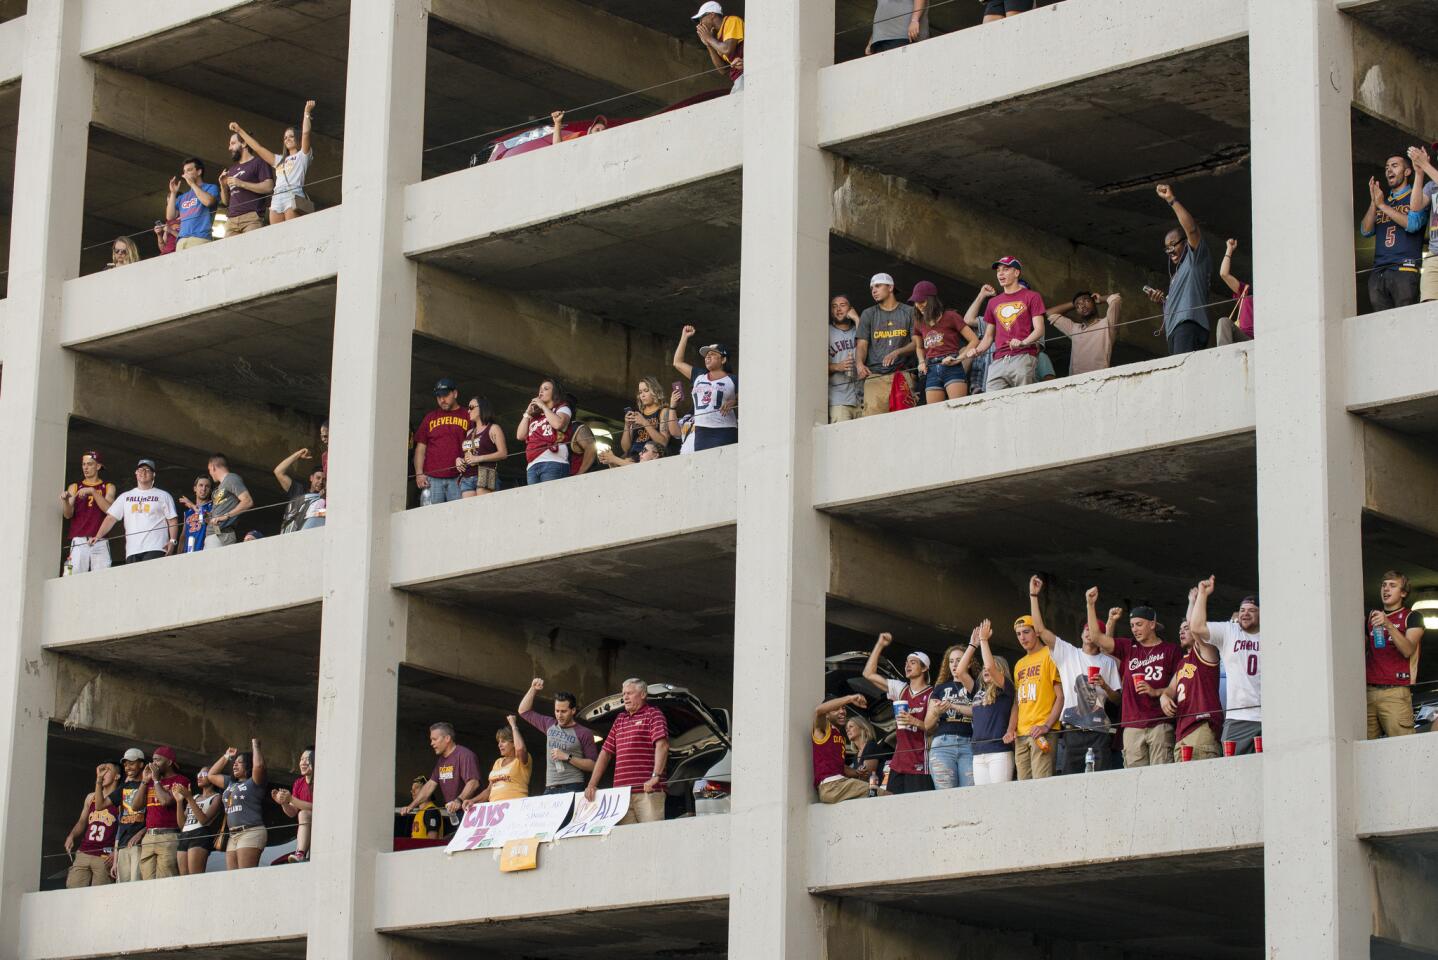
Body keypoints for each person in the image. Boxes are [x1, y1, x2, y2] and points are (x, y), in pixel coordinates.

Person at [1028, 577, 1122, 774]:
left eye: (1093, 630)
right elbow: (1040, 630)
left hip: (1100, 732)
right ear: (1081, 634)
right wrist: (1034, 595)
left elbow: (1118, 700)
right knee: (1071, 783)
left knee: (1101, 782)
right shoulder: (1069, 653)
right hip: (1071, 731)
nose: (1089, 633)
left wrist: (1104, 686)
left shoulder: (1108, 662)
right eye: (1086, 629)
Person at [1088, 588, 1181, 767]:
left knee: (1161, 776)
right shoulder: (1129, 646)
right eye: (1132, 625)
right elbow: (1097, 638)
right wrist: (1090, 605)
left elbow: (1179, 685)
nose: (1134, 629)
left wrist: (1155, 691)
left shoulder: (1171, 650)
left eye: (1139, 624)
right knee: (1135, 779)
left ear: (1152, 624)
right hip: (1132, 723)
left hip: (1160, 722)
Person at [1188, 577, 1262, 754]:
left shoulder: (1274, 631)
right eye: (1242, 610)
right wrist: (1203, 595)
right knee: (1235, 772)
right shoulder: (1230, 630)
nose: (1245, 613)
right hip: (1238, 717)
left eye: (1252, 610)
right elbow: (1197, 627)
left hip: (1272, 716)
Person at [583, 678, 670, 824]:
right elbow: (605, 753)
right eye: (624, 694)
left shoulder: (653, 714)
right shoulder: (620, 719)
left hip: (648, 792)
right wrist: (592, 784)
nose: (625, 698)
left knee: (651, 839)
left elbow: (663, 746)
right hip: (621, 795)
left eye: (629, 693)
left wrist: (655, 776)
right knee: (626, 841)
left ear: (642, 694)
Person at [1142, 183, 1213, 354]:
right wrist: (1162, 303)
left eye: (1173, 244)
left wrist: (1171, 200)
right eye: (1167, 248)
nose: (1170, 250)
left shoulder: (1194, 259)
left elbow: (1192, 229)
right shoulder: (1177, 275)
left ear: (1186, 243)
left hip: (1188, 325)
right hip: (1175, 330)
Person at [861, 632, 933, 794]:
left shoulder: (932, 694)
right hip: (898, 763)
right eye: (906, 662)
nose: (907, 665)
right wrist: (879, 645)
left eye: (913, 662)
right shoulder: (900, 689)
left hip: (920, 761)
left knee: (919, 807)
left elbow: (933, 728)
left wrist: (913, 720)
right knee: (894, 805)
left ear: (924, 668)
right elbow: (868, 674)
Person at [962, 259, 1046, 391]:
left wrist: (1023, 342)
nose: (1001, 273)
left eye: (1006, 269)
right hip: (998, 360)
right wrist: (977, 351)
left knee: (1024, 397)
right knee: (993, 401)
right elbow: (989, 337)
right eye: (998, 270)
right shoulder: (993, 302)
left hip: (1023, 356)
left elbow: (1039, 329)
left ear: (1016, 272)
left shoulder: (1032, 296)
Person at [228, 99, 315, 225]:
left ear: (297, 138)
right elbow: (258, 148)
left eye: (291, 136)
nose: (287, 139)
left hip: (293, 193)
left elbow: (306, 134)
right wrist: (240, 131)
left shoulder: (303, 155)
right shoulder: (279, 159)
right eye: (285, 137)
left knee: (291, 230)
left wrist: (306, 113)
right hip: (277, 196)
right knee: (277, 235)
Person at [1161, 589, 1224, 761]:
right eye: (1180, 629)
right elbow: (1169, 690)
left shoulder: (1205, 652)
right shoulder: (1182, 663)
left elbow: (1197, 626)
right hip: (1182, 732)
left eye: (1186, 629)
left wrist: (1193, 602)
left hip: (1201, 728)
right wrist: (1164, 698)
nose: (1181, 632)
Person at [1360, 154, 1427, 311]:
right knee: (1383, 326)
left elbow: (1413, 225)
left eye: (1395, 165)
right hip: (1379, 271)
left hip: (1404, 269)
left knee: (1406, 321)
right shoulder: (1384, 201)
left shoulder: (1416, 197)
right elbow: (1365, 231)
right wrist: (1374, 203)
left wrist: (1382, 206)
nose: (1389, 169)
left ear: (1407, 172)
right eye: (1387, 167)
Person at [1365, 569, 1425, 739]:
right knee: (1365, 746)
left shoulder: (1412, 617)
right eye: (1384, 585)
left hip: (1395, 691)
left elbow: (1408, 650)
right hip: (1368, 690)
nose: (1386, 589)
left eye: (1392, 586)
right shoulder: (1370, 617)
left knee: (1402, 746)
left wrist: (1388, 624)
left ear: (1403, 592)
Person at [518, 678, 600, 796]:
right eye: (557, 711)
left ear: (573, 710)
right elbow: (523, 711)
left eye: (563, 711)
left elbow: (593, 766)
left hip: (573, 785)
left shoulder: (584, 732)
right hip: (550, 787)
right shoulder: (550, 724)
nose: (559, 715)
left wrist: (567, 757)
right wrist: (533, 689)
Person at [90, 459, 178, 563]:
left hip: (156, 547)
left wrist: (172, 541)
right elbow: (111, 518)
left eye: (147, 470)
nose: (143, 472)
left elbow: (172, 520)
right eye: (140, 470)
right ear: (136, 473)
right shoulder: (125, 497)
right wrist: (98, 536)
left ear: (153, 475)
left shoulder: (163, 495)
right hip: (132, 550)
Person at [854, 274, 917, 417]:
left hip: (903, 374)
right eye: (871, 288)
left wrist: (897, 352)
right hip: (875, 376)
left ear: (890, 287)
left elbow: (917, 343)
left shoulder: (909, 312)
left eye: (877, 286)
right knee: (872, 424)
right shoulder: (868, 313)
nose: (873, 291)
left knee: (906, 420)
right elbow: (862, 345)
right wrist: (859, 364)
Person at [1010, 612, 1062, 780]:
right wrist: (1012, 729)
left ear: (1036, 632)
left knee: (1042, 785)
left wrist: (1047, 725)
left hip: (1042, 731)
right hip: (1022, 734)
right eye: (1018, 634)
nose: (1022, 637)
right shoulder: (1019, 664)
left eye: (1026, 632)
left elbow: (1060, 696)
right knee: (1023, 787)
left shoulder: (1050, 654)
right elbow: (1017, 702)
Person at [910, 280, 981, 404]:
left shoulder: (950, 316)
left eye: (922, 301)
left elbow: (974, 340)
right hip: (931, 368)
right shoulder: (919, 322)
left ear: (932, 300)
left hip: (951, 366)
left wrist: (959, 358)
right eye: (916, 302)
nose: (918, 305)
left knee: (958, 408)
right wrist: (921, 361)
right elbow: (919, 347)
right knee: (935, 413)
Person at [968, 620, 1017, 784]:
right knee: (982, 800)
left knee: (999, 797)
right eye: (983, 669)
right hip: (978, 751)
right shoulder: (978, 690)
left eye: (994, 668)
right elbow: (960, 671)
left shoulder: (1006, 688)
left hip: (999, 750)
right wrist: (972, 645)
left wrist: (984, 641)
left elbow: (989, 665)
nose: (986, 670)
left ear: (1001, 671)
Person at [204, 741, 267, 870]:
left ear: (248, 765)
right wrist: (226, 756)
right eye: (235, 762)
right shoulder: (230, 783)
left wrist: (256, 746)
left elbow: (259, 766)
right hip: (233, 835)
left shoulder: (254, 782)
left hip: (251, 831)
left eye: (240, 762)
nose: (235, 764)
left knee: (245, 877)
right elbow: (211, 775)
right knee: (233, 879)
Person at [672, 327, 738, 449]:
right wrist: (684, 337)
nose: (707, 357)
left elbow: (750, 395)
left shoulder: (733, 379)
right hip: (701, 431)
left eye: (712, 354)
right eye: (706, 355)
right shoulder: (699, 375)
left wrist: (734, 401)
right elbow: (677, 362)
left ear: (723, 359)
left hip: (725, 430)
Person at [923, 643, 977, 788]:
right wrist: (937, 712)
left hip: (970, 743)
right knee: (946, 795)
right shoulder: (940, 688)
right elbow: (927, 725)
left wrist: (954, 706)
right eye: (951, 661)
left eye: (959, 660)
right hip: (943, 744)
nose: (954, 665)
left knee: (970, 794)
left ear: (969, 662)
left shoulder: (975, 686)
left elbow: (980, 712)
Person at [402, 722, 482, 819]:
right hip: (455, 813)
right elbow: (430, 784)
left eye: (434, 739)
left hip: (472, 812)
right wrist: (411, 806)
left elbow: (473, 783)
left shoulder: (465, 755)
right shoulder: (441, 761)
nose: (431, 743)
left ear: (447, 738)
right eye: (431, 740)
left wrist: (458, 801)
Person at [63, 761, 121, 887]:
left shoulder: (119, 799)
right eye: (102, 769)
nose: (103, 773)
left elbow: (124, 827)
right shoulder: (91, 797)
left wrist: (116, 852)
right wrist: (71, 835)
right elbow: (82, 821)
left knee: (101, 894)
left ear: (117, 776)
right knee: (73, 887)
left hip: (105, 855)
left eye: (108, 770)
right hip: (84, 851)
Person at [414, 377, 469, 504]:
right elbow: (421, 448)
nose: (442, 400)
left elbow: (477, 445)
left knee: (459, 516)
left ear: (455, 393)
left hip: (460, 477)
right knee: (430, 516)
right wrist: (419, 473)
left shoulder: (467, 415)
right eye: (438, 396)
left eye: (445, 395)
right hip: (431, 478)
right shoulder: (430, 418)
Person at [60, 450, 116, 573]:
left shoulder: (108, 487)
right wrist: (65, 501)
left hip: (100, 539)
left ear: (98, 466)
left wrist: (92, 491)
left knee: (103, 578)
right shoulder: (74, 486)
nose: (85, 467)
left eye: (90, 464)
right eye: (83, 464)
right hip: (79, 539)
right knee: (73, 577)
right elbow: (67, 515)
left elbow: (109, 510)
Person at [139, 745, 187, 880]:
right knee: (146, 883)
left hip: (169, 836)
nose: (153, 763)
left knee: (166, 881)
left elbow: (166, 801)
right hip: (149, 836)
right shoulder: (150, 781)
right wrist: (144, 780)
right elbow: (135, 806)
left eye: (158, 760)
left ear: (169, 762)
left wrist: (156, 780)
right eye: (153, 760)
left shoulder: (180, 780)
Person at [1046, 291, 1122, 376]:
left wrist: (1100, 299)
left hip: (1100, 378)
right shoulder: (1074, 329)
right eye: (1078, 305)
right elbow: (1050, 313)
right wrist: (1073, 303)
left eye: (1086, 301)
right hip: (1075, 382)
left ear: (1094, 302)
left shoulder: (1108, 324)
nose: (1082, 305)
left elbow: (1116, 299)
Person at [813, 693, 870, 802]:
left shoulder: (839, 736)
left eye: (843, 708)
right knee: (883, 794)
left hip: (838, 786)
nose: (842, 711)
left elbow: (841, 767)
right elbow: (818, 710)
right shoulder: (823, 729)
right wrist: (850, 698)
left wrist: (857, 772)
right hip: (831, 786)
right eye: (836, 709)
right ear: (827, 715)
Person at [464, 717, 532, 806]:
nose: (499, 745)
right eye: (498, 742)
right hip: (496, 810)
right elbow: (489, 790)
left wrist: (513, 726)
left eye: (503, 741)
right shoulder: (497, 762)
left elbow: (520, 748)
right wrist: (473, 801)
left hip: (516, 807)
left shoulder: (520, 760)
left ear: (513, 743)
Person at [219, 127, 274, 236]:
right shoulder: (232, 169)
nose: (229, 147)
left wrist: (241, 183)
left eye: (233, 143)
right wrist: (223, 186)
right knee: (229, 253)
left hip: (251, 217)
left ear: (244, 143)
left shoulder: (259, 162)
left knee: (250, 251)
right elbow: (226, 202)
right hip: (231, 220)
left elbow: (269, 186)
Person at [518, 378, 574, 485]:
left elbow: (558, 424)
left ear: (555, 393)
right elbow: (520, 435)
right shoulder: (535, 416)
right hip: (532, 464)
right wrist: (527, 413)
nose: (541, 392)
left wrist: (543, 406)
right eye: (540, 389)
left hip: (553, 461)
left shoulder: (562, 408)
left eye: (546, 389)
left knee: (550, 499)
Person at [174, 770, 223, 875]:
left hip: (200, 834)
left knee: (195, 875)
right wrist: (179, 801)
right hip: (185, 835)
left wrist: (189, 798)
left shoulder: (216, 797)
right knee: (183, 876)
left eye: (203, 774)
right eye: (198, 774)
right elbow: (182, 825)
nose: (199, 777)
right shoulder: (195, 797)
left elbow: (204, 820)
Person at [271, 746, 314, 862]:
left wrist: (291, 799)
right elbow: (292, 812)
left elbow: (317, 808)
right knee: (302, 814)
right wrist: (284, 802)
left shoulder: (321, 779)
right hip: (308, 828)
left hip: (321, 825)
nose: (303, 763)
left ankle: (300, 853)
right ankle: (300, 853)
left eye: (307, 759)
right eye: (301, 759)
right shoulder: (299, 783)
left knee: (304, 814)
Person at [166, 158, 219, 250]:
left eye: (189, 170)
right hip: (181, 240)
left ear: (199, 172)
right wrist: (173, 193)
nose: (186, 174)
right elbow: (170, 217)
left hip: (200, 238)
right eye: (184, 171)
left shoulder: (211, 187)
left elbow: (208, 202)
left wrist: (192, 184)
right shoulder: (183, 197)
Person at [1408, 146, 1438, 303]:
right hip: (1434, 255)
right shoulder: (1432, 185)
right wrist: (1419, 173)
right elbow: (1415, 207)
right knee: (1428, 306)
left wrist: (1425, 165)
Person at [113, 748, 148, 883]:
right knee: (122, 888)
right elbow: (120, 825)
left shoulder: (149, 785)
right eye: (125, 764)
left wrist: (140, 833)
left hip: (140, 845)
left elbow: (153, 817)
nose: (127, 767)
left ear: (141, 764)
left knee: (137, 884)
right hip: (122, 845)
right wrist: (115, 859)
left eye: (132, 763)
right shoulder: (124, 787)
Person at [459, 397, 506, 497]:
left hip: (486, 472)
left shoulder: (493, 428)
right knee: (469, 510)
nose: (468, 410)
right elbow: (470, 454)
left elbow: (503, 453)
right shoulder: (469, 432)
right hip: (467, 477)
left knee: (485, 509)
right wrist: (459, 460)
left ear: (482, 408)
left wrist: (479, 458)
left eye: (471, 407)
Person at [693, 2, 744, 92]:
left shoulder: (731, 21)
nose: (700, 23)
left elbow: (727, 49)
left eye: (701, 18)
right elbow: (723, 70)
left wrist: (709, 38)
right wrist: (708, 45)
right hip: (737, 79)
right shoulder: (716, 38)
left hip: (746, 74)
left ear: (712, 15)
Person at [205, 454, 253, 548]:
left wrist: (226, 516)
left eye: (209, 470)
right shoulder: (220, 486)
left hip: (222, 535)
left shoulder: (231, 478)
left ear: (213, 467)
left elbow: (248, 501)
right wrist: (209, 516)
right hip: (214, 534)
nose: (210, 473)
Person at [828, 295, 863, 423]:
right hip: (839, 400)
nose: (838, 309)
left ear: (850, 309)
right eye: (834, 306)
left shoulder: (857, 330)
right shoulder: (825, 331)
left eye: (842, 305)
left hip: (861, 398)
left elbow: (867, 345)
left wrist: (856, 318)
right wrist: (837, 366)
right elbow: (812, 366)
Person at [273, 449, 326, 532]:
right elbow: (278, 472)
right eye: (318, 478)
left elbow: (319, 519)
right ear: (311, 478)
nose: (320, 482)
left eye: (324, 479)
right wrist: (298, 454)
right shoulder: (299, 490)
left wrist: (322, 501)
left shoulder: (327, 498)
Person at [622, 378, 671, 457]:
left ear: (655, 391)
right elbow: (626, 449)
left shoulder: (663, 411)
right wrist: (626, 425)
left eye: (646, 390)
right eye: (640, 392)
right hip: (633, 457)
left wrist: (644, 422)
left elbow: (663, 443)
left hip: (650, 458)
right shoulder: (638, 415)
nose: (642, 395)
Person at [1218, 240, 1254, 340]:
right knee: (1224, 322)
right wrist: (1229, 250)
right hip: (1243, 336)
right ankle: (1224, 355)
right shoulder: (1245, 289)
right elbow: (1223, 274)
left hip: (1260, 338)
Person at [845, 714, 890, 779]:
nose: (847, 730)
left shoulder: (871, 746)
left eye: (851, 726)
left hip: (874, 787)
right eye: (846, 728)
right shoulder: (856, 755)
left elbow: (866, 775)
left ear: (863, 728)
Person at [563, 392, 598, 476]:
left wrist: (579, 475)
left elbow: (591, 448)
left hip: (577, 480)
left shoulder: (576, 427)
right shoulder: (552, 430)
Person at [177, 475, 213, 553]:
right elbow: (183, 537)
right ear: (195, 488)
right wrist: (178, 555)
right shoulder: (188, 512)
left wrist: (192, 505)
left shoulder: (213, 507)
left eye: (207, 486)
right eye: (201, 485)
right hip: (188, 553)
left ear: (210, 490)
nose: (203, 488)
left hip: (205, 551)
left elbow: (213, 523)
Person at [405, 775, 446, 840]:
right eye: (412, 788)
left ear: (426, 791)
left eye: (416, 787)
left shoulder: (431, 811)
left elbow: (432, 841)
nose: (412, 791)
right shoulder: (420, 812)